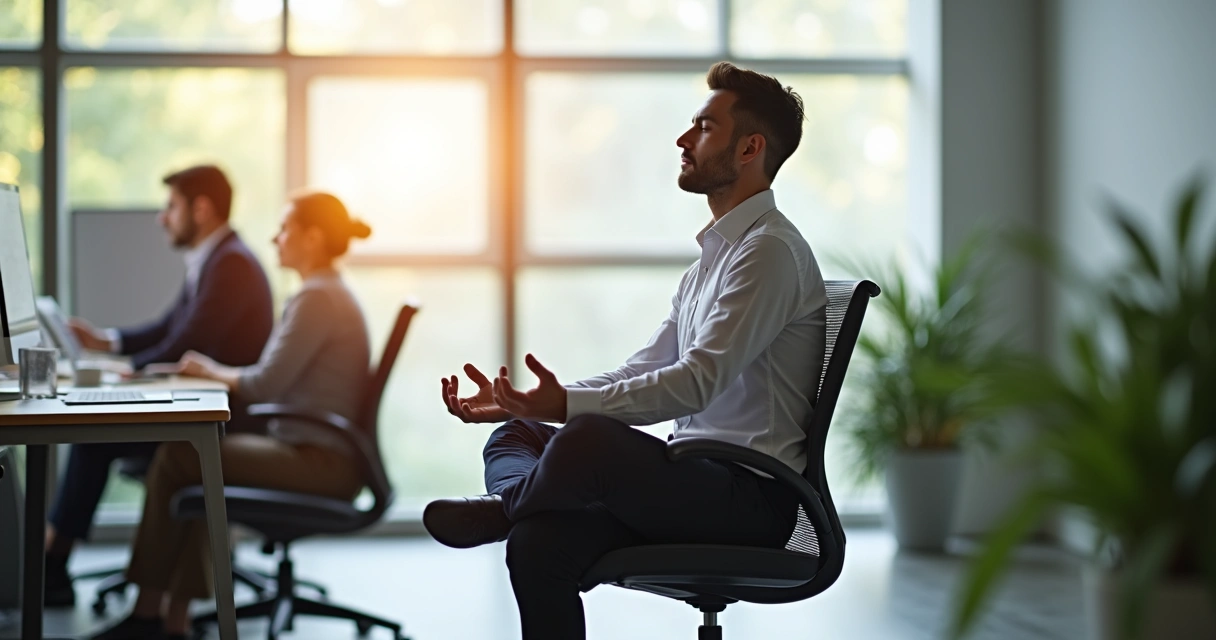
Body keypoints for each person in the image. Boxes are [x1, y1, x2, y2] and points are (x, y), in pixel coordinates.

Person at [422, 62, 828, 640]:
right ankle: (520, 508)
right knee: (523, 465)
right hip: (690, 481)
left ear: (749, 149)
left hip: (747, 499)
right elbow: (647, 367)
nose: (684, 139)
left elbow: (694, 384)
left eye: (705, 127)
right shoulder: (712, 259)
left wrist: (570, 412)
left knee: (585, 438)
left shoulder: (769, 253)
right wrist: (542, 404)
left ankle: (506, 507)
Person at [90, 192, 374, 640]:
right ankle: (174, 621)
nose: (275, 238)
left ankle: (149, 616)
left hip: (320, 462)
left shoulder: (318, 299)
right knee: (199, 459)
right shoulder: (324, 292)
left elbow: (265, 385)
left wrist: (208, 370)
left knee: (185, 457)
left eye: (285, 229)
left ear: (314, 238)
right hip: (311, 449)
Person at [44, 165, 275, 607]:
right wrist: (107, 341)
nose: (161, 218)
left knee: (95, 438)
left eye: (171, 207)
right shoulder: (216, 258)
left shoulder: (230, 264)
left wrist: (128, 371)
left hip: (230, 421)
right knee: (97, 432)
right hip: (211, 405)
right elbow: (171, 327)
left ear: (201, 209)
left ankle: (53, 562)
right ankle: (55, 563)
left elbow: (189, 341)